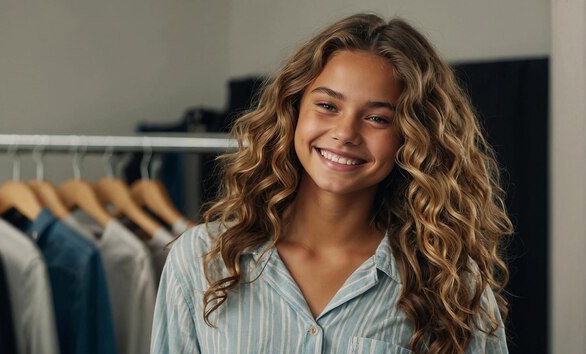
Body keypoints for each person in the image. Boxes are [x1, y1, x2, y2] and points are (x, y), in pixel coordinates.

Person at [151, 13, 513, 354]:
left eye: (376, 117)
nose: (345, 133)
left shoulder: (451, 285)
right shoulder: (201, 261)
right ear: (293, 110)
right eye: (327, 106)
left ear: (413, 137)